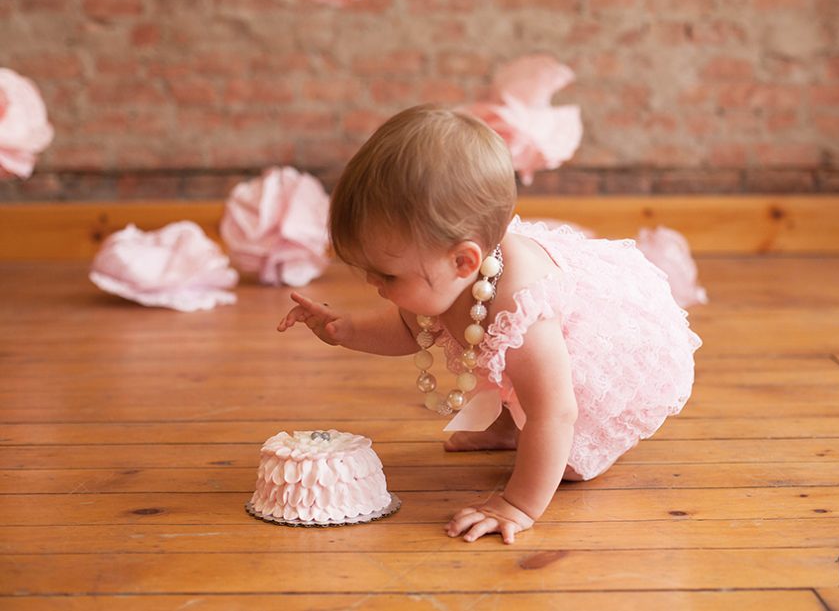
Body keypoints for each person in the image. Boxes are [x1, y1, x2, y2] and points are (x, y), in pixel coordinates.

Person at [277, 104, 702, 544]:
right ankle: (505, 426)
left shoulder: (523, 310)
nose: (372, 283)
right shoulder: (446, 273)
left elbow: (556, 412)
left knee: (568, 458)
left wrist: (516, 505)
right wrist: (344, 330)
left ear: (464, 261)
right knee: (498, 359)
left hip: (601, 364)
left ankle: (566, 442)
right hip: (515, 342)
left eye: (386, 275)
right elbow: (408, 329)